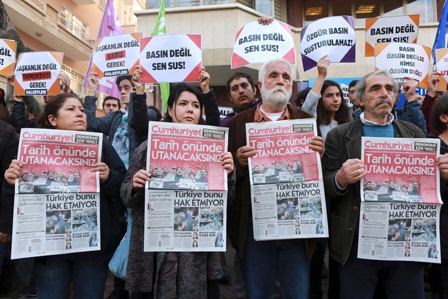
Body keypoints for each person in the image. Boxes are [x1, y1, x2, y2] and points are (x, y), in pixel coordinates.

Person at [323, 70, 435, 298]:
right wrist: (340, 179)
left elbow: (427, 186)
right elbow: (325, 184)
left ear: (395, 97)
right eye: (376, 89)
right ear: (360, 99)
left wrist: (441, 176)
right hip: (357, 240)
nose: (384, 93)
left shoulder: (413, 132)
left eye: (389, 89)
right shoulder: (339, 135)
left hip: (405, 240)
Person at [3, 93, 126, 299]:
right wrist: (10, 182)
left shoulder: (101, 145)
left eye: (80, 109)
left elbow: (123, 186)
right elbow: (15, 199)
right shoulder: (30, 147)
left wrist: (109, 177)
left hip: (92, 249)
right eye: (71, 109)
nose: (80, 113)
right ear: (52, 119)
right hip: (48, 251)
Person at [120, 83, 234, 298]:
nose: (190, 109)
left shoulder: (216, 149)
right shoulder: (148, 147)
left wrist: (228, 174)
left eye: (196, 105)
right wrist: (134, 184)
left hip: (197, 247)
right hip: (154, 246)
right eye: (183, 104)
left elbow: (227, 202)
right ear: (170, 110)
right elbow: (125, 191)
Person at [227, 58, 324, 298]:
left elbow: (320, 176)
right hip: (253, 228)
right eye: (273, 75)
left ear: (291, 85)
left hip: (297, 230)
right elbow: (223, 173)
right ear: (259, 85)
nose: (280, 80)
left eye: (286, 77)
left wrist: (320, 157)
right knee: (257, 293)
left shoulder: (306, 122)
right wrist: (237, 163)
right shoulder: (238, 124)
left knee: (297, 293)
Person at [86, 73, 158, 170]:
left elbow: (136, 120)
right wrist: (91, 91)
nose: (122, 92)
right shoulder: (116, 116)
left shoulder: (150, 113)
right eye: (120, 89)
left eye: (126, 88)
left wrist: (138, 93)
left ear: (136, 87)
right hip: (115, 174)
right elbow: (91, 124)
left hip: (135, 174)